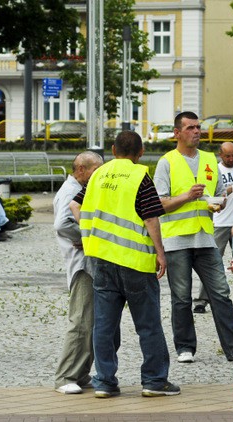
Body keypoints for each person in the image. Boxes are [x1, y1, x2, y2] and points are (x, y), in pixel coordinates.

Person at [81, 131, 180, 399]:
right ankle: (154, 381)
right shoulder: (140, 176)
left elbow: (76, 206)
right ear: (141, 152)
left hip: (102, 259)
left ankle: (104, 381)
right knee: (147, 325)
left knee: (103, 325)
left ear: (113, 149)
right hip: (135, 262)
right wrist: (160, 253)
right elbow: (150, 218)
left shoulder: (97, 175)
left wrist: (91, 236)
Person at [154, 112, 233, 363]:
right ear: (177, 133)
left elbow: (220, 194)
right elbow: (159, 203)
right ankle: (185, 348)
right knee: (181, 297)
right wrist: (187, 197)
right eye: (190, 127)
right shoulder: (166, 162)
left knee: (221, 293)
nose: (196, 131)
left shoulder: (210, 159)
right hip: (177, 239)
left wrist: (219, 204)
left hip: (205, 237)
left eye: (198, 127)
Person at [52, 151, 102, 394]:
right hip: (82, 264)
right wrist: (87, 237)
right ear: (81, 169)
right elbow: (62, 224)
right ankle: (65, 376)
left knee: (90, 320)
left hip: (86, 262)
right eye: (95, 170)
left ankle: (81, 373)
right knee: (81, 320)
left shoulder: (77, 189)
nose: (98, 175)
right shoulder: (72, 191)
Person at [193, 141, 233, 314]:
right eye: (227, 155)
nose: (231, 158)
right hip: (220, 222)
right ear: (220, 155)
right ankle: (201, 300)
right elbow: (213, 194)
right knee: (211, 262)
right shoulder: (215, 170)